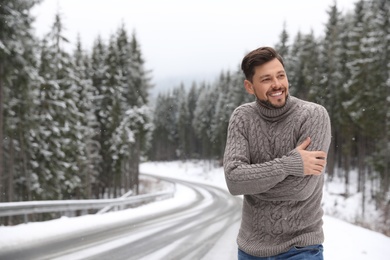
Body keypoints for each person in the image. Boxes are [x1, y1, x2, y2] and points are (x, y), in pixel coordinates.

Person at [223, 46, 331, 259]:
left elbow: (301, 188)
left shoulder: (313, 115)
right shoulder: (242, 118)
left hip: (301, 249)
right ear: (249, 86)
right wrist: (289, 165)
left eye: (280, 75)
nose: (277, 85)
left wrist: (252, 181)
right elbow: (234, 181)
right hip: (250, 250)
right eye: (266, 79)